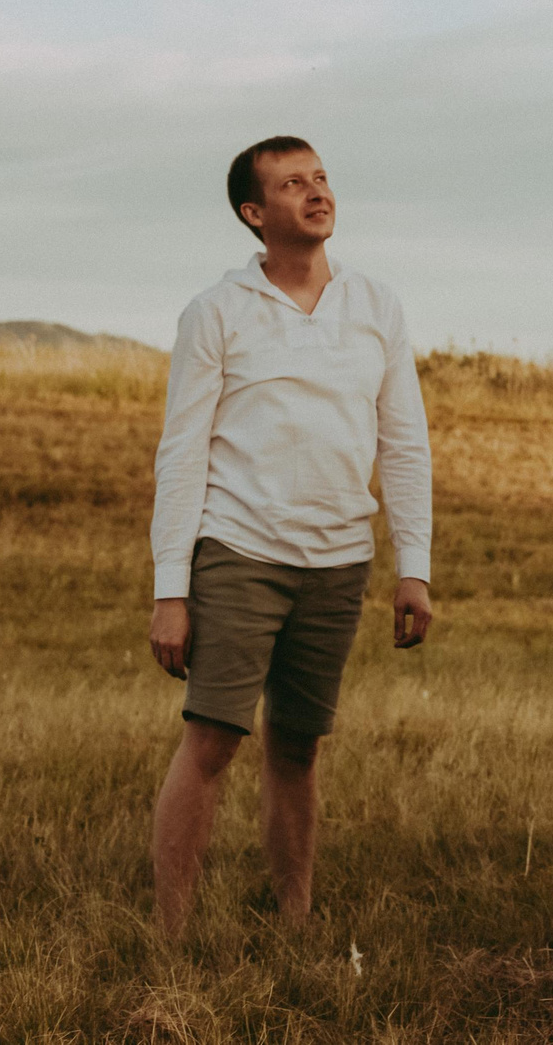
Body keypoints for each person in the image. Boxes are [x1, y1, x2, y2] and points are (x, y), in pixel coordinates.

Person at [145, 135, 434, 937]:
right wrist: (172, 589)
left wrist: (416, 568)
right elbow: (183, 451)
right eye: (292, 184)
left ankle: (295, 919)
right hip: (240, 550)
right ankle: (171, 935)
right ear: (254, 211)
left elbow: (404, 442)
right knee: (212, 742)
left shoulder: (376, 305)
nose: (316, 192)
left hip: (340, 560)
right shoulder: (217, 312)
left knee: (299, 746)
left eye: (320, 178)